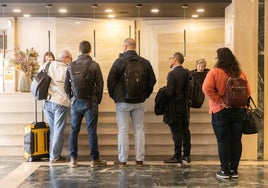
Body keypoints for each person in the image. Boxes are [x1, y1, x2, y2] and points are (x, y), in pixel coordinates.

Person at [202, 47, 251, 179]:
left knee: (223, 141)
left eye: (217, 57)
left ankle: (224, 171)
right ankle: (234, 170)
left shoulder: (215, 72)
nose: (215, 59)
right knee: (236, 141)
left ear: (220, 59)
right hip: (239, 111)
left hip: (221, 111)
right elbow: (248, 92)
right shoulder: (240, 73)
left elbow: (206, 88)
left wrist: (220, 101)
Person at [107, 38, 156, 166]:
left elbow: (110, 81)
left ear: (124, 47)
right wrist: (145, 95)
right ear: (135, 47)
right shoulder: (145, 62)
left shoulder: (119, 62)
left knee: (123, 130)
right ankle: (139, 159)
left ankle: (123, 160)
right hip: (139, 101)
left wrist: (116, 97)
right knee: (139, 129)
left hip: (123, 102)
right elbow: (152, 81)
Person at [64, 40, 106, 167]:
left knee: (74, 130)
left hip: (76, 102)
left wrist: (72, 98)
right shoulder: (94, 65)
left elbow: (66, 86)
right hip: (90, 102)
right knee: (91, 131)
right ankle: (94, 159)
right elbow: (100, 84)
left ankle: (73, 159)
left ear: (79, 49)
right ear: (90, 50)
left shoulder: (71, 66)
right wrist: (96, 100)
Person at [40, 50, 72, 163]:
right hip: (60, 103)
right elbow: (70, 87)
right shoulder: (66, 69)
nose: (71, 61)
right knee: (58, 129)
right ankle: (54, 156)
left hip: (46, 101)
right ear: (66, 58)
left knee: (53, 129)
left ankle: (53, 155)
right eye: (70, 59)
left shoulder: (47, 64)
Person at [163, 52, 191, 164]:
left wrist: (164, 91)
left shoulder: (172, 74)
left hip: (174, 107)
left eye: (171, 58)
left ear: (175, 59)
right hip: (185, 107)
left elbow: (169, 92)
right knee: (185, 131)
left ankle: (177, 155)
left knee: (176, 132)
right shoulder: (187, 73)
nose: (170, 60)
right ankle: (187, 155)